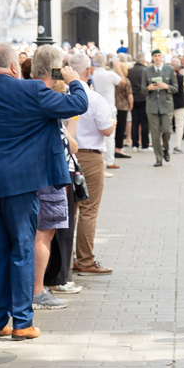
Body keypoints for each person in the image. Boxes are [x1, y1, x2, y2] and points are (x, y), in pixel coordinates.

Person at [0, 43, 87, 340]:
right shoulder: (32, 91)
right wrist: (75, 80)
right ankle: (22, 322)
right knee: (22, 250)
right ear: (14, 67)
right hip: (22, 185)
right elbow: (77, 104)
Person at [30, 46, 77, 310]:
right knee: (43, 233)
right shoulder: (45, 95)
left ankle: (29, 288)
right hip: (47, 175)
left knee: (30, 233)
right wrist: (75, 82)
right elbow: (79, 104)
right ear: (56, 69)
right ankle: (37, 291)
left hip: (27, 174)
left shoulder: (22, 91)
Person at [68, 53, 116, 276]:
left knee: (68, 209)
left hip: (65, 155)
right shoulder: (94, 98)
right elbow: (106, 130)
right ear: (88, 71)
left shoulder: (61, 95)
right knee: (88, 209)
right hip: (90, 155)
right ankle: (85, 259)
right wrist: (113, 122)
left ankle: (67, 259)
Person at [143, 49, 178, 167]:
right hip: (152, 105)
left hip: (166, 104)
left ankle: (165, 148)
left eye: (159, 55)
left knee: (167, 130)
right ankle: (158, 158)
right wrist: (148, 88)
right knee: (155, 134)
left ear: (162, 57)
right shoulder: (147, 71)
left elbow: (176, 88)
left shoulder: (169, 69)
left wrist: (166, 86)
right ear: (152, 58)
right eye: (155, 56)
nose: (157, 58)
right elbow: (142, 89)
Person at [92, 52, 122, 171]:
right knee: (110, 136)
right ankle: (110, 160)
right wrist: (117, 66)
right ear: (105, 62)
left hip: (94, 107)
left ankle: (99, 161)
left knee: (95, 134)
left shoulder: (92, 74)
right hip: (109, 107)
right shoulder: (110, 74)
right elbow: (122, 82)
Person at [127, 53, 150, 152]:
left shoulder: (130, 71)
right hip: (144, 98)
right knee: (144, 122)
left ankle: (135, 144)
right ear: (143, 60)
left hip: (133, 98)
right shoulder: (146, 70)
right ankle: (145, 144)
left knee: (135, 122)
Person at [112, 59, 133, 159]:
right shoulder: (126, 81)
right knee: (121, 128)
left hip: (114, 105)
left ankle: (114, 147)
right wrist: (131, 104)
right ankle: (119, 148)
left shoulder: (114, 79)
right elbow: (129, 95)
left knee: (115, 128)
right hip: (123, 106)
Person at [171, 58, 184, 154]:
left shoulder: (167, 77)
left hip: (169, 103)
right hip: (180, 103)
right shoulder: (181, 77)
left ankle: (163, 144)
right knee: (179, 126)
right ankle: (177, 146)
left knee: (166, 125)